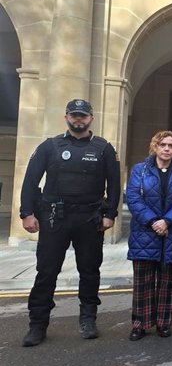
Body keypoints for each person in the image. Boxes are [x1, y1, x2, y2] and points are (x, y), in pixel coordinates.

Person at [20, 99, 121, 347]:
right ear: (66, 117)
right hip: (55, 218)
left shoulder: (104, 148)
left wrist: (110, 214)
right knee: (46, 272)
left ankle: (88, 319)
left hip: (89, 219)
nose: (79, 119)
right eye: (74, 115)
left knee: (89, 271)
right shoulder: (50, 146)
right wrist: (27, 213)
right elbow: (30, 181)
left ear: (91, 119)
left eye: (83, 116)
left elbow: (114, 184)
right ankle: (38, 325)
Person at [126, 131, 172, 340]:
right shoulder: (140, 170)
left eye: (170, 146)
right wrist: (154, 221)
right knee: (143, 283)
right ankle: (140, 324)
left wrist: (167, 221)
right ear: (154, 147)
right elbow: (134, 198)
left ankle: (164, 323)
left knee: (168, 282)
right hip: (145, 233)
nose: (166, 149)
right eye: (162, 145)